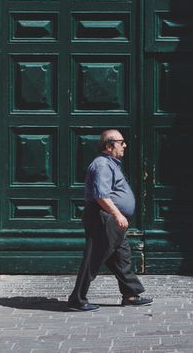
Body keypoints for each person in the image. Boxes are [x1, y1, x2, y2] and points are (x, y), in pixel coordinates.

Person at [67, 129, 153, 311]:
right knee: (94, 257)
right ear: (108, 146)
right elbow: (101, 196)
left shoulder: (111, 164)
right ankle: (77, 298)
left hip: (109, 218)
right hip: (103, 217)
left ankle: (130, 294)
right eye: (121, 142)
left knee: (122, 256)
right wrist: (117, 214)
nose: (125, 145)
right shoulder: (102, 165)